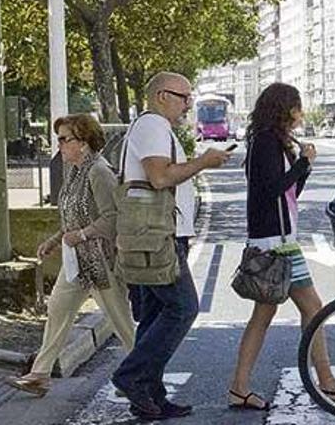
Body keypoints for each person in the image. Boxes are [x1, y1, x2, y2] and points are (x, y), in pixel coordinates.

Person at [228, 82, 335, 410]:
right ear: (284, 109)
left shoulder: (272, 141)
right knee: (313, 309)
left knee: (264, 315)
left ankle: (239, 387)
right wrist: (303, 164)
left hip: (277, 239)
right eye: (297, 107)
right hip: (276, 245)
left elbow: (288, 193)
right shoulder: (264, 142)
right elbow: (268, 191)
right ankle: (328, 384)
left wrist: (304, 166)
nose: (301, 113)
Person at [111, 72, 230, 420]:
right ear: (162, 95)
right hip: (159, 236)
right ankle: (130, 376)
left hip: (157, 234)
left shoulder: (155, 128)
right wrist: (202, 162)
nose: (188, 104)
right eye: (184, 97)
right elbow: (160, 177)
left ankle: (151, 395)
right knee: (183, 308)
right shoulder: (153, 127)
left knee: (153, 314)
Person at [6, 115, 136, 397]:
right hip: (76, 260)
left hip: (100, 260)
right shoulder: (75, 171)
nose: (59, 145)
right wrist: (55, 239)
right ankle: (39, 375)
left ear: (84, 142)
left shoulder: (99, 172)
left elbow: (112, 218)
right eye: (59, 139)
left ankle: (143, 373)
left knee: (120, 321)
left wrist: (82, 235)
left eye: (65, 139)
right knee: (57, 310)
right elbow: (72, 217)